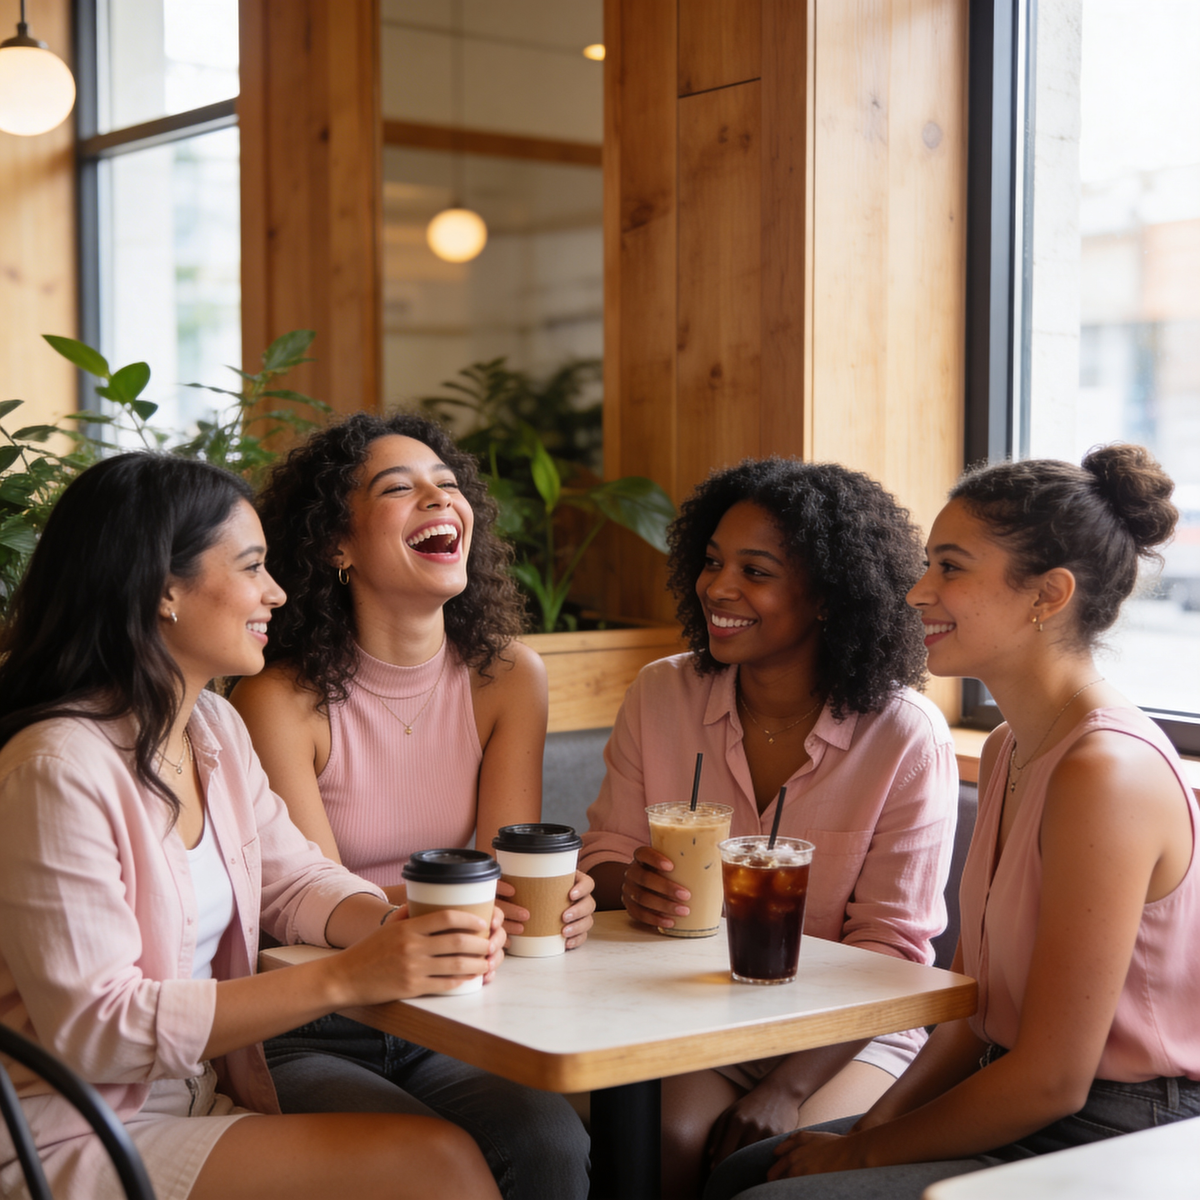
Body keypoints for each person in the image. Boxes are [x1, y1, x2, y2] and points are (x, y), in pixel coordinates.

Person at [0, 452, 506, 1200]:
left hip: (194, 1096)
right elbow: (96, 1026)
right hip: (75, 1128)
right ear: (162, 589)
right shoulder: (55, 768)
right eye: (251, 567)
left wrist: (396, 918)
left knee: (468, 1149)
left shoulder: (210, 727)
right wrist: (345, 977)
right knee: (439, 1166)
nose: (275, 591)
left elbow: (292, 877)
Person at [705, 444, 1200, 1200]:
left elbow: (1054, 1081)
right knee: (747, 1171)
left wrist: (861, 1158)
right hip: (1012, 1087)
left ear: (1048, 595)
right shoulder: (1009, 745)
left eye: (950, 567)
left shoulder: (1106, 773)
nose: (916, 591)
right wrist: (873, 1133)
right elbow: (973, 1015)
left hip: (1120, 1126)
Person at [229, 411, 592, 1200]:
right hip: (309, 1025)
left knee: (552, 1143)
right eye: (401, 489)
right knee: (430, 1161)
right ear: (338, 545)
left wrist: (551, 905)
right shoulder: (278, 699)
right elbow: (308, 899)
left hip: (454, 1008)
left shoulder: (508, 676)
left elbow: (508, 872)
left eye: (449, 486)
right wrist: (482, 903)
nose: (439, 499)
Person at [581, 457, 959, 1200]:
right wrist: (634, 887)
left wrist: (787, 1086)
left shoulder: (906, 738)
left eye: (756, 571)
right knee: (671, 1139)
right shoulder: (663, 694)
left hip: (846, 1034)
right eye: (714, 562)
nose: (720, 588)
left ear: (826, 595)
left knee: (776, 1164)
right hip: (698, 1008)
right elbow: (603, 859)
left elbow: (891, 951)